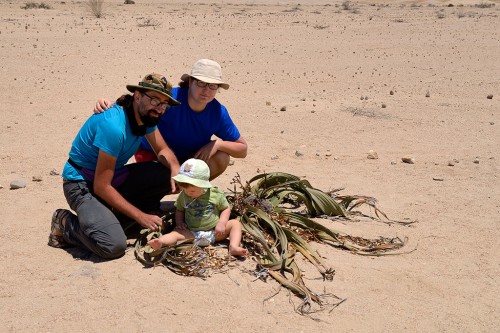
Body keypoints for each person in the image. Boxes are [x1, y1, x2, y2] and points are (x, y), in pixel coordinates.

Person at [49, 73, 182, 259]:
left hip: (112, 177)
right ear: (137, 96)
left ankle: (114, 218)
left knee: (165, 172)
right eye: (154, 100)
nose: (159, 108)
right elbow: (101, 187)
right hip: (80, 183)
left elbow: (163, 150)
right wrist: (140, 216)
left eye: (163, 104)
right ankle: (65, 225)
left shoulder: (145, 117)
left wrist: (176, 168)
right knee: (113, 245)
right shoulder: (114, 127)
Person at [95, 59, 247, 180]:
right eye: (201, 83)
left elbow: (243, 149)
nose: (206, 90)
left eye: (213, 86)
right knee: (154, 177)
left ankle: (188, 197)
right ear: (190, 82)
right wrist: (108, 105)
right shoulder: (170, 98)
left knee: (222, 157)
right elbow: (134, 105)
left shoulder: (218, 112)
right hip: (154, 156)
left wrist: (218, 144)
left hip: (188, 160)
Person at [148, 158, 248, 257]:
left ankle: (233, 247)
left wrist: (221, 223)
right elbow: (179, 210)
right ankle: (160, 242)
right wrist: (180, 223)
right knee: (175, 234)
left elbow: (225, 208)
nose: (188, 193)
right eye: (184, 190)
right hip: (191, 234)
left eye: (192, 191)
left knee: (235, 224)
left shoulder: (214, 194)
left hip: (215, 232)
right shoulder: (184, 196)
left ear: (204, 185)